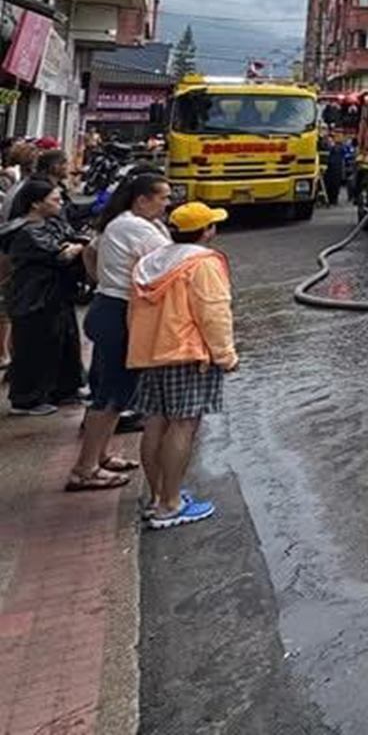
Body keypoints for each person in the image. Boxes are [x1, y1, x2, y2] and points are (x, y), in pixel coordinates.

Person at [129, 201, 238, 529]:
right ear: (206, 231)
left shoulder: (151, 262)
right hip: (187, 352)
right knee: (183, 425)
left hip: (151, 352)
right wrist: (226, 355)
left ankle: (158, 496)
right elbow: (213, 312)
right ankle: (170, 505)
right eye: (212, 224)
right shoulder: (202, 263)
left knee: (155, 422)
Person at [67, 172, 170, 491]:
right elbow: (172, 264)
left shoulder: (121, 223)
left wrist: (102, 280)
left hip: (108, 306)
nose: (167, 203)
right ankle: (84, 469)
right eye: (163, 197)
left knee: (113, 391)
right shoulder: (136, 228)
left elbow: (90, 252)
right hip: (120, 313)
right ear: (142, 200)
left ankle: (100, 456)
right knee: (112, 394)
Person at [5, 179, 87, 416]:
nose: (60, 203)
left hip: (57, 295)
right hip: (35, 297)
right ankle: (27, 399)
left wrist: (74, 246)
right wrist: (73, 248)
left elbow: (75, 240)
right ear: (35, 203)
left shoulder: (52, 224)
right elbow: (59, 254)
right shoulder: (26, 231)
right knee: (35, 348)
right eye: (55, 199)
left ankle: (63, 389)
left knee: (64, 342)